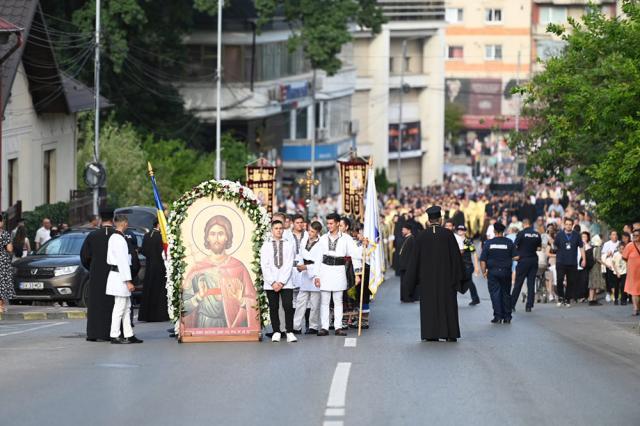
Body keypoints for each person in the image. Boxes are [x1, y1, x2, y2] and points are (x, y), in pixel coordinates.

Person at [183, 215, 259, 330]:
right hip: (204, 324)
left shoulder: (238, 267)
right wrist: (199, 297)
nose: (216, 238)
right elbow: (184, 307)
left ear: (227, 237)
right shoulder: (198, 269)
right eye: (212, 234)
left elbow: (254, 302)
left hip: (232, 325)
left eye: (221, 234)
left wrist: (241, 300)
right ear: (207, 238)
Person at [404, 206, 463, 342]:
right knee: (447, 305)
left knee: (429, 306)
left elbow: (414, 261)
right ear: (441, 220)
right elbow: (456, 259)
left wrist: (410, 282)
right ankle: (450, 333)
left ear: (429, 220)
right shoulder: (448, 235)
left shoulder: (421, 236)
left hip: (427, 279)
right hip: (446, 279)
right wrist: (459, 278)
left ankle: (430, 333)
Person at [313, 213, 361, 337]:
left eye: (331, 223)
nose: (329, 226)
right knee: (324, 301)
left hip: (339, 270)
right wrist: (316, 276)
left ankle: (338, 327)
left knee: (338, 300)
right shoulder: (323, 238)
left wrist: (357, 273)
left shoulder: (346, 238)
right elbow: (318, 258)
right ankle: (324, 327)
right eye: (327, 223)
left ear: (338, 223)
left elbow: (355, 255)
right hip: (325, 270)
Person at [80, 208, 116, 342]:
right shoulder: (118, 235)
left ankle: (95, 333)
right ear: (113, 220)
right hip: (114, 273)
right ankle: (112, 332)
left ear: (100, 220)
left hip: (96, 275)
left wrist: (92, 268)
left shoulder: (92, 236)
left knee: (96, 304)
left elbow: (84, 257)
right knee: (113, 304)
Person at [106, 215, 142, 344]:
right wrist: (128, 281)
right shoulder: (118, 239)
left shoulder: (116, 237)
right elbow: (122, 262)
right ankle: (114, 335)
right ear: (124, 223)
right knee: (120, 307)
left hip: (118, 275)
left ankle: (128, 334)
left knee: (126, 307)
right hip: (120, 276)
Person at [260, 220, 296, 343]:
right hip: (271, 283)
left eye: (281, 228)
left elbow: (289, 263)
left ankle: (289, 331)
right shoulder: (266, 245)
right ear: (272, 230)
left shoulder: (289, 244)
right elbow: (264, 265)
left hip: (286, 282)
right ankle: (276, 331)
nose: (279, 230)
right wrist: (273, 282)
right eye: (276, 228)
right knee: (273, 307)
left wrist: (281, 282)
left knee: (288, 306)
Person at [481, 222, 518, 324]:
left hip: (493, 272)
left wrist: (484, 272)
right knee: (506, 294)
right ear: (503, 231)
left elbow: (483, 260)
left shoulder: (488, 243)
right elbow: (516, 256)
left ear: (494, 231)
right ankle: (507, 316)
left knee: (495, 294)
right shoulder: (509, 242)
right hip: (506, 272)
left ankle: (498, 316)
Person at [293, 221, 323, 334]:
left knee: (315, 303)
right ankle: (296, 326)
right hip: (304, 273)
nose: (310, 233)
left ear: (317, 232)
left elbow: (319, 262)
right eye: (309, 230)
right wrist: (301, 266)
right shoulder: (304, 240)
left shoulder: (321, 244)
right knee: (301, 301)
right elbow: (301, 254)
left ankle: (313, 326)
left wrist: (307, 267)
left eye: (313, 232)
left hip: (315, 274)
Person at [138, 220, 169, 322]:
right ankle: (159, 315)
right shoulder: (161, 236)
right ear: (159, 224)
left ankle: (147, 315)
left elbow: (143, 250)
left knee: (149, 290)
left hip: (150, 266)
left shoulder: (147, 235)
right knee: (159, 292)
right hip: (160, 267)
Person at [510, 218, 542, 312]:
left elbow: (514, 246)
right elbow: (539, 248)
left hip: (523, 260)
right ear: (530, 224)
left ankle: (512, 305)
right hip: (533, 260)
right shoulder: (537, 234)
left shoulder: (521, 233)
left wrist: (516, 255)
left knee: (518, 283)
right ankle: (529, 305)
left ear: (524, 224)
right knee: (531, 283)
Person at [554, 217, 586, 307]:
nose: (568, 226)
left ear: (572, 225)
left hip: (572, 262)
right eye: (566, 224)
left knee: (571, 281)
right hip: (561, 261)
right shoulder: (559, 235)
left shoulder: (576, 235)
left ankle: (567, 299)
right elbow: (555, 246)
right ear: (564, 225)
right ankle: (560, 296)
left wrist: (584, 259)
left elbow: (581, 247)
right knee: (559, 280)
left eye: (570, 224)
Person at [456, 225, 481, 306]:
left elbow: (474, 253)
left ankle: (475, 299)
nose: (460, 231)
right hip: (458, 265)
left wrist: (477, 267)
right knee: (455, 281)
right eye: (459, 229)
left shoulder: (467, 241)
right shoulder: (455, 240)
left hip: (467, 265)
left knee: (469, 282)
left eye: (462, 230)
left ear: (465, 231)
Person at [622, 229, 640, 316]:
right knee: (634, 290)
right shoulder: (630, 245)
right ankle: (635, 308)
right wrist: (631, 264)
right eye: (634, 235)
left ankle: (638, 307)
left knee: (638, 291)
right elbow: (624, 257)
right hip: (633, 272)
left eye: (637, 235)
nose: (635, 237)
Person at [399, 222, 416, 302]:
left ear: (408, 230)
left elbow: (412, 254)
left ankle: (408, 297)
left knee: (407, 282)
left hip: (408, 266)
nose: (402, 230)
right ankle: (404, 297)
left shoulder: (411, 239)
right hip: (404, 265)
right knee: (403, 282)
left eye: (404, 229)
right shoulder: (406, 238)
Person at [587, 234, 606, 306]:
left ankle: (594, 299)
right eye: (601, 239)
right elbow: (598, 259)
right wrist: (606, 265)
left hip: (593, 267)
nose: (602, 240)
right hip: (595, 268)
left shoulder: (593, 247)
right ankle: (592, 299)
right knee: (593, 284)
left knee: (593, 284)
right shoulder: (598, 248)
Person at [0, 216, 14, 313]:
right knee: (3, 283)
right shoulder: (4, 234)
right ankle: (1, 305)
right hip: (2, 260)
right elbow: (9, 249)